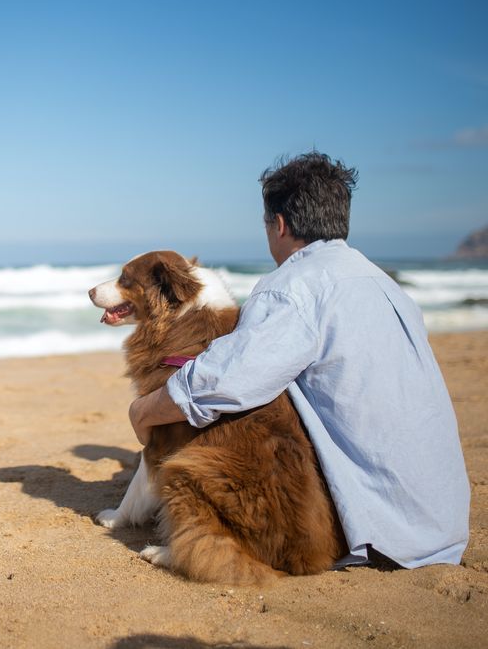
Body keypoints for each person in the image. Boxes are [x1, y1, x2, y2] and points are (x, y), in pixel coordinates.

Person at [129, 152, 470, 568]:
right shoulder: (384, 284)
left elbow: (226, 380)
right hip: (444, 523)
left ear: (280, 225)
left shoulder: (293, 287)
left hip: (383, 532)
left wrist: (145, 409)